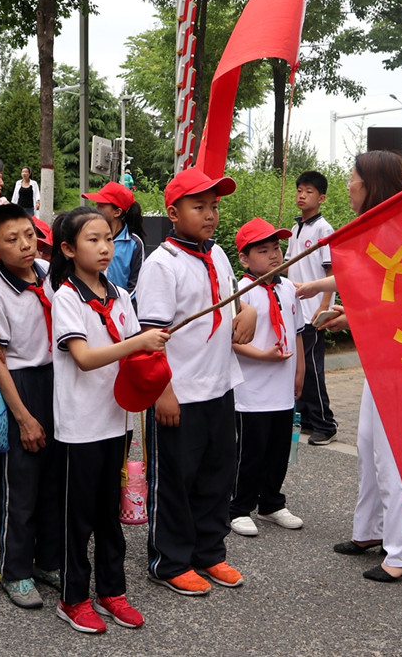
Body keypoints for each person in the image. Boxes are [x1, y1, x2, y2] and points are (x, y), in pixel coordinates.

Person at [300, 151, 402, 582]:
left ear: (372, 184)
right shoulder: (379, 228)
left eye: (354, 178)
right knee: (370, 443)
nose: (349, 185)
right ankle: (372, 531)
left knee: (392, 451)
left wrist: (326, 293)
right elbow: (371, 285)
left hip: (401, 358)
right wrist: (346, 312)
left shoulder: (398, 230)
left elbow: (397, 296)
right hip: (380, 353)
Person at [136, 168, 256, 596]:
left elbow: (232, 299)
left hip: (220, 386)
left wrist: (250, 311)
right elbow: (151, 339)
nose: (210, 215)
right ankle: (169, 561)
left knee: (216, 475)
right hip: (178, 393)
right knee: (174, 480)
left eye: (215, 207)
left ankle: (210, 553)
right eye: (199, 206)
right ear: (172, 212)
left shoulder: (218, 254)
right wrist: (163, 392)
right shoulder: (161, 265)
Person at [50, 206, 167, 633]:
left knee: (108, 516)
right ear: (68, 248)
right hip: (79, 426)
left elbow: (136, 350)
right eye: (92, 240)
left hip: (115, 422)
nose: (105, 247)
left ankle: (111, 591)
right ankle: (73, 598)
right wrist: (138, 342)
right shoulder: (66, 297)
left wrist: (149, 351)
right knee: (77, 518)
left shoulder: (118, 295)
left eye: (109, 238)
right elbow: (82, 358)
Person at [0, 202, 62, 609]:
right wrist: (23, 417)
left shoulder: (49, 276)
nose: (26, 245)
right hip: (20, 385)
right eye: (12, 240)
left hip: (56, 382)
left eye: (29, 234)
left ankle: (47, 561)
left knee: (54, 481)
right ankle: (16, 569)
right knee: (20, 485)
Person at [228, 218, 305, 538]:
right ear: (245, 258)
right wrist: (264, 356)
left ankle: (272, 502)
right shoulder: (239, 293)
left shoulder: (288, 288)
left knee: (278, 450)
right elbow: (229, 342)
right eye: (264, 250)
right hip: (251, 391)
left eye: (277, 248)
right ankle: (239, 507)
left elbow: (298, 332)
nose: (274, 255)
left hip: (282, 388)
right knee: (251, 451)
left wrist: (300, 372)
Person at [287, 170, 337, 444]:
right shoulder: (296, 229)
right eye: (299, 190)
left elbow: (330, 269)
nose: (302, 195)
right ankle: (306, 418)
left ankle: (325, 424)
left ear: (322, 198)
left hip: (313, 311)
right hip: (296, 310)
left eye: (308, 191)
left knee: (313, 370)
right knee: (300, 368)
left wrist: (324, 305)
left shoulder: (323, 229)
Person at [81, 181, 144, 292]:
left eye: (101, 206)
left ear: (117, 212)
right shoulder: (86, 237)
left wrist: (117, 306)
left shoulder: (134, 243)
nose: (96, 210)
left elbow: (136, 287)